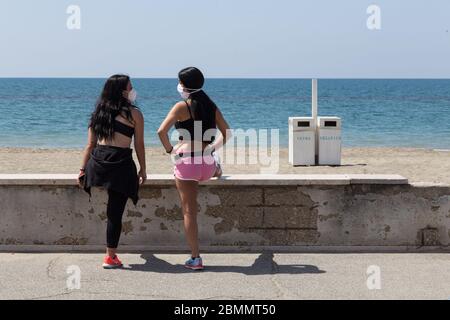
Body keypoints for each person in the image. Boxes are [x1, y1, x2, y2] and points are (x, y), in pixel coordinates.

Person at [157, 67, 231, 270]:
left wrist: (170, 150)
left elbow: (161, 131)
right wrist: (211, 148)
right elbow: (228, 133)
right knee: (211, 162)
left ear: (184, 85)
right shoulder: (211, 105)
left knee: (189, 212)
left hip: (187, 163)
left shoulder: (181, 106)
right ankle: (216, 167)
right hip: (206, 165)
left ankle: (196, 258)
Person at [78, 74, 147, 269]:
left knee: (112, 212)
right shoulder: (134, 113)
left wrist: (82, 170)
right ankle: (110, 256)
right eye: (130, 87)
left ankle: (110, 255)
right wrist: (143, 169)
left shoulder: (98, 113)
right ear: (122, 91)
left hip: (98, 162)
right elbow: (139, 144)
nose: (132, 90)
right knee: (115, 213)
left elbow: (90, 145)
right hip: (120, 162)